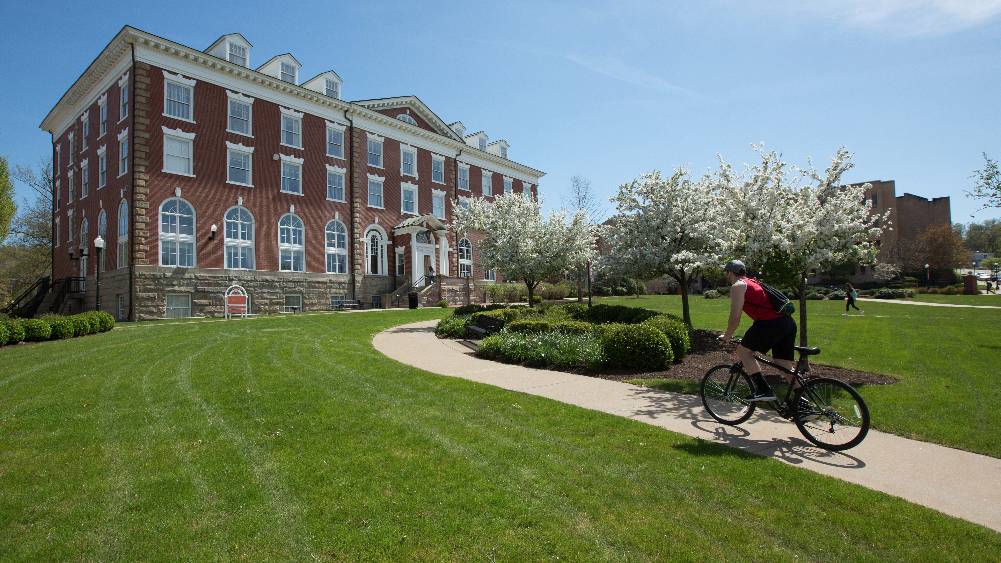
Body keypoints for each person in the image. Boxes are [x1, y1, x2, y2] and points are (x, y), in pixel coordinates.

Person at [718, 260, 797, 401]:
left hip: (769, 323)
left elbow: (735, 317)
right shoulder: (752, 282)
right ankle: (804, 403)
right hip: (787, 322)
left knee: (743, 351)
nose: (727, 276)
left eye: (726, 273)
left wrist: (727, 335)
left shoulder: (738, 286)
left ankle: (764, 390)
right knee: (783, 365)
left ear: (729, 272)